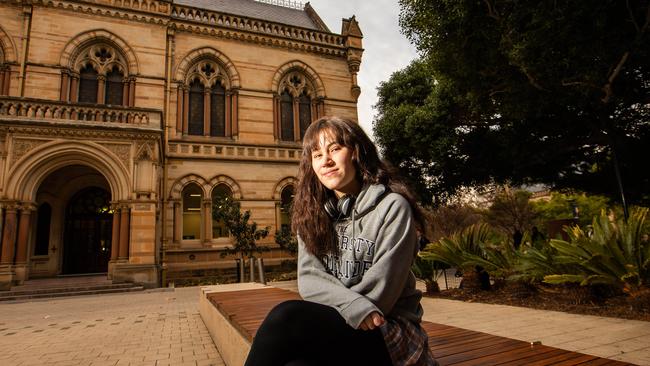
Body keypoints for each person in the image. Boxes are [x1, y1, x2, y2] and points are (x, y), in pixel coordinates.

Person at [244, 116, 437, 366]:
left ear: (356, 152)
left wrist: (343, 304)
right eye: (317, 154)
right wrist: (347, 304)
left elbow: (380, 295)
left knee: (287, 316)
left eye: (335, 148)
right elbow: (310, 279)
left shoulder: (392, 207)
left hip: (387, 332)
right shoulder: (311, 214)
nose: (326, 161)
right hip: (343, 324)